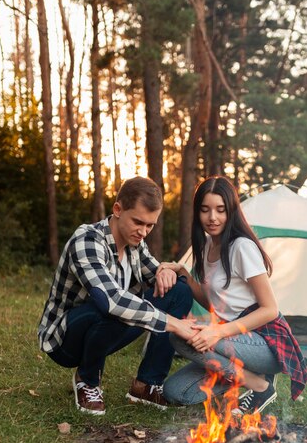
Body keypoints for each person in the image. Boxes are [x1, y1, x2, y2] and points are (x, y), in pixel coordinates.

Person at [38, 176, 195, 416]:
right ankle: (87, 380)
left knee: (179, 291)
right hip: (65, 339)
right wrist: (177, 325)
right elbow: (110, 301)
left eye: (150, 225)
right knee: (112, 306)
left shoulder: (135, 243)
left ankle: (146, 385)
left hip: (106, 325)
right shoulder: (87, 240)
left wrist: (165, 272)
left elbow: (156, 274)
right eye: (138, 222)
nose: (143, 232)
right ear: (118, 210)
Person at [160, 175, 307, 414]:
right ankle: (246, 375)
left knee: (180, 336)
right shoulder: (207, 245)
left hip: (264, 343)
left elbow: (270, 309)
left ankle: (260, 385)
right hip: (233, 342)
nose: (212, 218)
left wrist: (217, 331)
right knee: (176, 392)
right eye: (205, 210)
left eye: (220, 210)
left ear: (231, 211)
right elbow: (215, 304)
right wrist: (183, 273)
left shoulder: (241, 247)